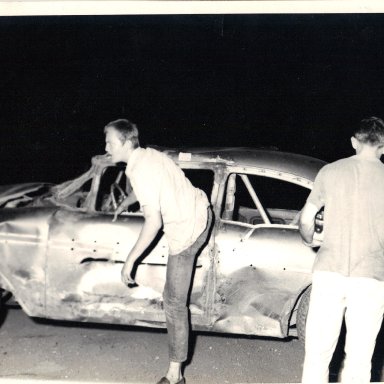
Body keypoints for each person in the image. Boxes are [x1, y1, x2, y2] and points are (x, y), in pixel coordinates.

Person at [104, 118, 212, 384]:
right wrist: (125, 203)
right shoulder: (147, 156)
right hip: (200, 208)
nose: (106, 147)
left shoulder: (140, 171)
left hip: (189, 228)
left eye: (109, 141)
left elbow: (154, 222)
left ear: (126, 142)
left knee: (174, 302)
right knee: (173, 299)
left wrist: (130, 261)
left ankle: (175, 376)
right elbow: (149, 190)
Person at [299, 116, 384, 383]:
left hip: (329, 273)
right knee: (359, 358)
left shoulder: (330, 172)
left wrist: (310, 240)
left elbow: (306, 220)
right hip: (371, 277)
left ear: (353, 142)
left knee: (317, 354)